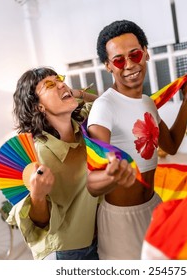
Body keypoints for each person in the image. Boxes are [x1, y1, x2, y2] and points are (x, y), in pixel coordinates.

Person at [87, 20, 187, 259]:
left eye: (135, 54)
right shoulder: (103, 108)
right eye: (118, 60)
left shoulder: (146, 102)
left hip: (153, 207)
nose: (129, 65)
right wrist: (110, 175)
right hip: (120, 220)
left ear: (145, 52)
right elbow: (91, 182)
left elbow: (172, 145)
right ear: (108, 66)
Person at [7, 67, 136, 260]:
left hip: (102, 235)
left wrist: (74, 93)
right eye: (49, 85)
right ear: (38, 107)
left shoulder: (84, 127)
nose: (61, 84)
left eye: (59, 79)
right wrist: (37, 195)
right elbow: (40, 223)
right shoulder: (37, 156)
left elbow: (105, 103)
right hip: (70, 251)